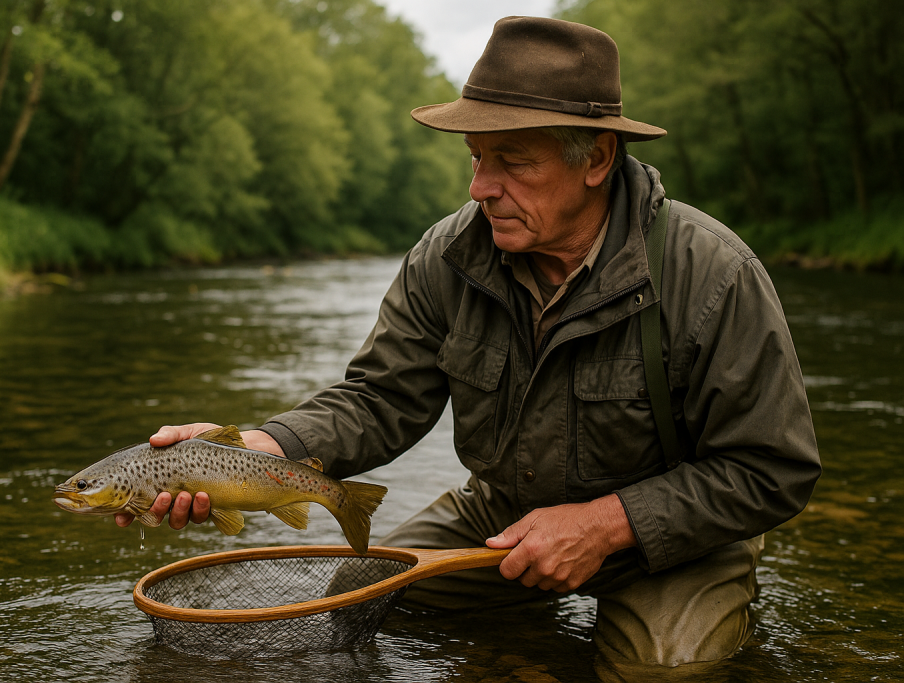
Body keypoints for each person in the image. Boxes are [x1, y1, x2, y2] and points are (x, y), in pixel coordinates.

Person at [116, 17, 821, 671]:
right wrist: (255, 451)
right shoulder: (449, 255)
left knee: (658, 669)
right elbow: (378, 398)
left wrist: (609, 523)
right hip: (504, 512)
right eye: (476, 157)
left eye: (511, 161)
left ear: (597, 158)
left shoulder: (714, 275)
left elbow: (774, 468)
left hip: (675, 541)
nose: (481, 188)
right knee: (363, 594)